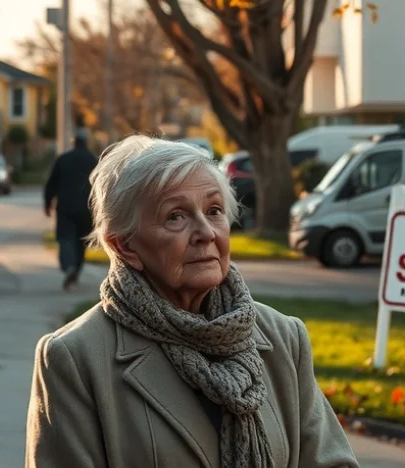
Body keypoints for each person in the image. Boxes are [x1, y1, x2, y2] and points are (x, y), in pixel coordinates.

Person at [25, 136, 359, 468]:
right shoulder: (75, 359)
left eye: (214, 211)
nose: (206, 232)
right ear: (125, 246)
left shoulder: (284, 338)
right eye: (176, 217)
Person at [43, 128, 98, 291]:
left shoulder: (63, 159)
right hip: (87, 209)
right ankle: (76, 269)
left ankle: (69, 267)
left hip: (65, 207)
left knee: (65, 238)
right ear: (87, 142)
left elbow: (51, 184)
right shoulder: (93, 161)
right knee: (81, 242)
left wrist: (47, 204)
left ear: (74, 142)